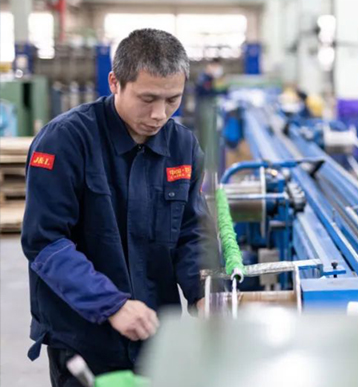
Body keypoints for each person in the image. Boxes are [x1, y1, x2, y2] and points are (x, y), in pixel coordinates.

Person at [21, 29, 217, 386]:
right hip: (83, 334)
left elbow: (191, 232)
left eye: (172, 99)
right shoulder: (65, 141)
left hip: (156, 333)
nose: (159, 114)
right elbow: (45, 241)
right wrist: (110, 304)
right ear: (115, 82)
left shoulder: (182, 146)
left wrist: (203, 292)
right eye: (147, 98)